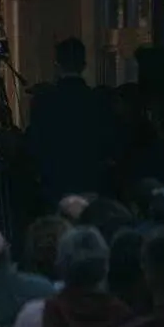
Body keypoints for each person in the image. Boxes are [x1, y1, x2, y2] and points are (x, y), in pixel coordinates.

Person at [26, 37, 113, 208]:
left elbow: (35, 144)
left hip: (55, 184)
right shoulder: (98, 100)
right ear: (84, 65)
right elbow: (107, 143)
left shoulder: (45, 101)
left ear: (57, 65)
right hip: (91, 181)